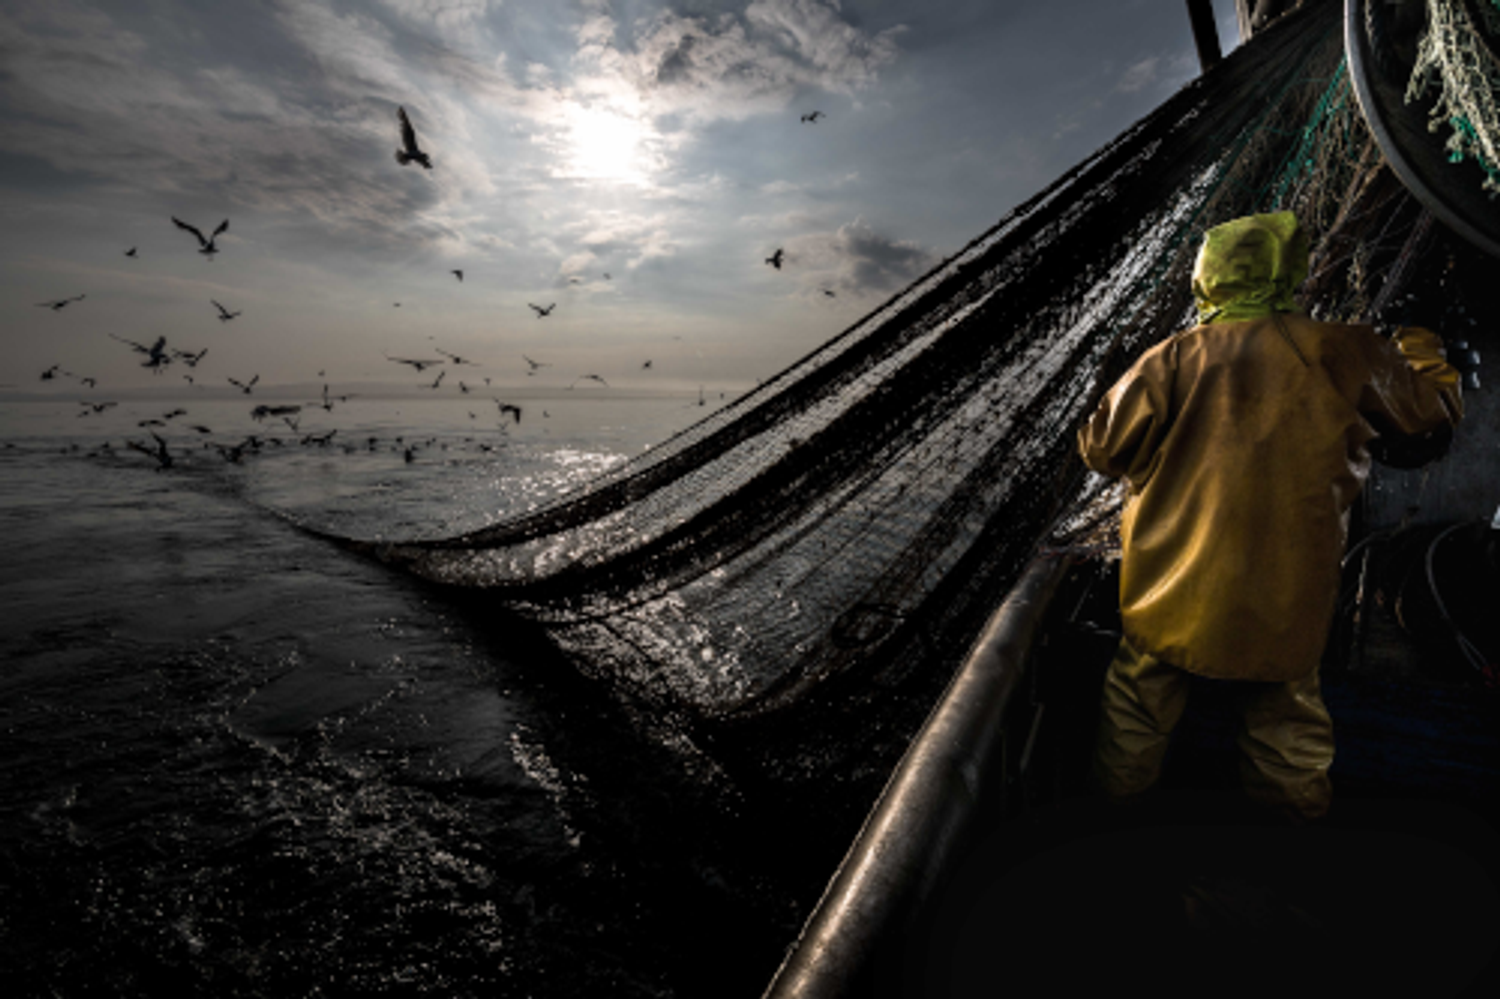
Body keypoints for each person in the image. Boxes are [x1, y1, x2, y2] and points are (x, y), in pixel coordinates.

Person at [1076, 210, 1463, 825]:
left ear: (1210, 278)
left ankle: (1105, 833)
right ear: (1291, 273)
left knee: (1137, 710)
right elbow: (1431, 411)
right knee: (1288, 728)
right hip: (1285, 600)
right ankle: (1286, 860)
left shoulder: (1171, 358)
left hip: (1167, 593)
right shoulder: (1345, 349)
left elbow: (1102, 449)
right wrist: (1421, 340)